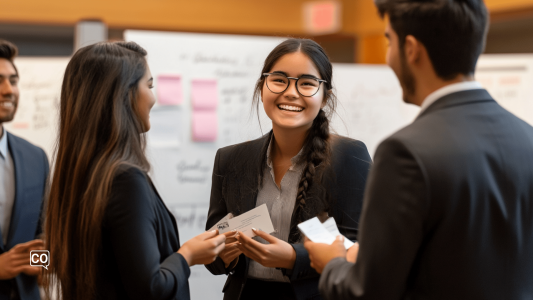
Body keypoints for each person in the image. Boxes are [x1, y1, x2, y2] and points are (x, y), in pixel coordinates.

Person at [305, 0, 533, 299]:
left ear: (411, 48)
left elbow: (367, 291)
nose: (388, 57)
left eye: (389, 40)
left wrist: (332, 263)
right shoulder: (526, 136)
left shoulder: (405, 152)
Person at [43, 41, 226, 300]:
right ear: (123, 94)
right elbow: (149, 288)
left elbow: (56, 258)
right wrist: (188, 255)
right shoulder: (125, 179)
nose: (154, 97)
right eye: (149, 85)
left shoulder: (77, 173)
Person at [205, 38, 372, 300]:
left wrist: (294, 257)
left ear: (325, 96)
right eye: (279, 80)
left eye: (306, 83)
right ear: (262, 88)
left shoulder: (349, 156)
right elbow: (212, 255)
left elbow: (363, 248)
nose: (291, 92)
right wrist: (222, 255)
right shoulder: (230, 159)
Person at [0, 40, 48, 300]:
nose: (9, 90)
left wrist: (44, 263)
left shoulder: (35, 158)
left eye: (14, 81)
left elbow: (43, 234)